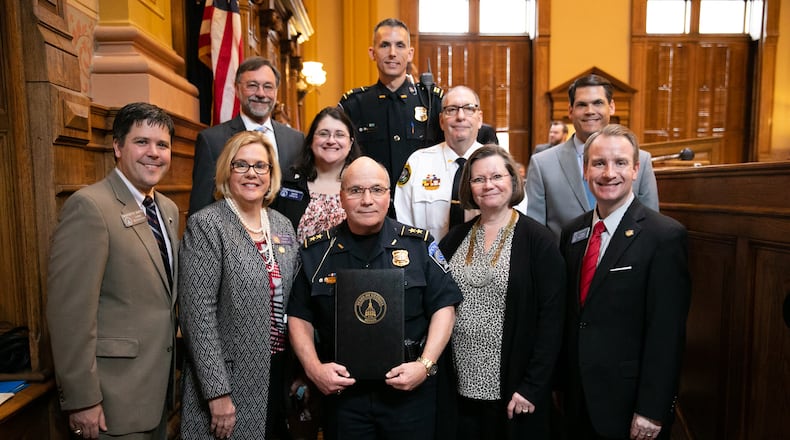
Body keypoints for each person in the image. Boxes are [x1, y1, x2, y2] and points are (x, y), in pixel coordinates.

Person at [287, 156, 463, 440]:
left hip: (410, 393)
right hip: (343, 396)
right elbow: (299, 316)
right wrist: (314, 369)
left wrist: (425, 365)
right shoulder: (315, 253)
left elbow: (444, 306)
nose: (367, 199)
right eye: (356, 190)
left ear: (389, 196)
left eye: (377, 189)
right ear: (341, 197)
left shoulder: (419, 245)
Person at [46, 102, 178, 440]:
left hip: (158, 392)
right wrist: (82, 399)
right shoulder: (90, 207)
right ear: (117, 147)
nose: (154, 153)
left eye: (162, 145)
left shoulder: (167, 208)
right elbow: (70, 314)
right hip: (111, 401)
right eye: (142, 142)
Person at [559, 125, 690, 439]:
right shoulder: (573, 233)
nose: (608, 173)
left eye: (619, 163)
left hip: (630, 406)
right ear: (585, 169)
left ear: (635, 169)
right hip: (576, 400)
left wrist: (652, 409)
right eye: (599, 163)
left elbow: (667, 333)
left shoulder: (664, 236)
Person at [178, 131, 301, 439]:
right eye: (241, 165)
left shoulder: (282, 225)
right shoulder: (207, 225)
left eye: (261, 166)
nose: (251, 174)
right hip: (229, 379)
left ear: (271, 173)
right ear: (226, 171)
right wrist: (217, 393)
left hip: (277, 372)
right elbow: (198, 317)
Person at [438, 145, 565, 439]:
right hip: (459, 384)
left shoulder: (539, 241)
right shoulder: (453, 239)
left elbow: (553, 320)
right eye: (478, 179)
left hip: (513, 389)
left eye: (497, 176)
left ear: (513, 179)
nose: (488, 185)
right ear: (468, 187)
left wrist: (533, 386)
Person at [526, 74, 659, 241]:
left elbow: (650, 225)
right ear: (570, 111)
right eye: (582, 104)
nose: (590, 111)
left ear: (611, 107)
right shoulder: (542, 164)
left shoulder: (642, 160)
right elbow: (535, 233)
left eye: (598, 103)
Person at [339, 18, 444, 194]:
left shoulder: (432, 101)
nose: (392, 53)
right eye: (385, 45)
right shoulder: (354, 104)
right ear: (372, 53)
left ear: (410, 53)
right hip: (371, 203)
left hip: (421, 203)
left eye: (400, 45)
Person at [190, 56, 305, 216]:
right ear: (237, 90)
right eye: (252, 86)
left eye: (268, 87)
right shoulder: (212, 141)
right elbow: (200, 209)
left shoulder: (296, 140)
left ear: (276, 92)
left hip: (286, 236)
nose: (260, 93)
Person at [394, 85, 485, 241]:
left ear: (480, 119)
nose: (460, 116)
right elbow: (402, 223)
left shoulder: (498, 163)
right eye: (452, 109)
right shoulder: (418, 163)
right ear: (442, 121)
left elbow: (513, 219)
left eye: (469, 109)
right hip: (427, 262)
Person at [272, 106, 362, 242]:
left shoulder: (363, 185)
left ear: (350, 143)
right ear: (311, 141)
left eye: (339, 134)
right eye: (323, 133)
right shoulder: (287, 184)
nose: (331, 140)